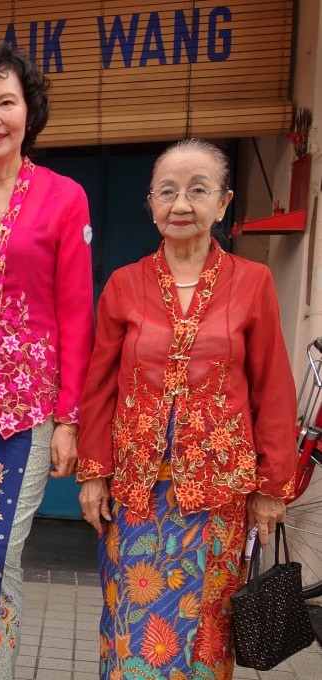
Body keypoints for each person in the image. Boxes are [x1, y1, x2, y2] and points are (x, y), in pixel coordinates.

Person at [77, 138, 297, 680]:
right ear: (150, 204)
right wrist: (93, 474)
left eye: (197, 191)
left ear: (223, 204)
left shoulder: (253, 282)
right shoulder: (124, 285)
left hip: (217, 496)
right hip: (135, 495)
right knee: (130, 626)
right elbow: (100, 386)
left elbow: (272, 385)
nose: (181, 204)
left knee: (205, 633)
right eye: (167, 191)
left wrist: (272, 489)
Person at [0, 42, 95, 679]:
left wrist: (70, 418)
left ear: (29, 113)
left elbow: (77, 312)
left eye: (7, 101)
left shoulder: (64, 197)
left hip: (24, 409)